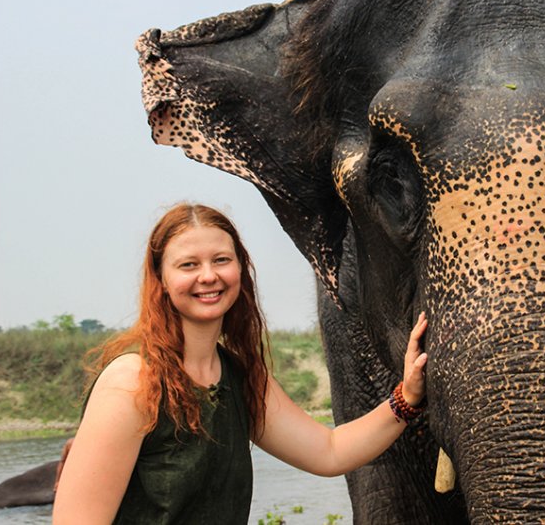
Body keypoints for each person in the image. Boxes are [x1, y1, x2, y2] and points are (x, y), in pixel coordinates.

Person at [52, 203, 428, 524]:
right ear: (161, 279)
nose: (208, 276)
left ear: (240, 270)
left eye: (221, 260)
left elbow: (329, 451)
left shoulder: (239, 376)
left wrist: (407, 396)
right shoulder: (132, 382)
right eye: (188, 265)